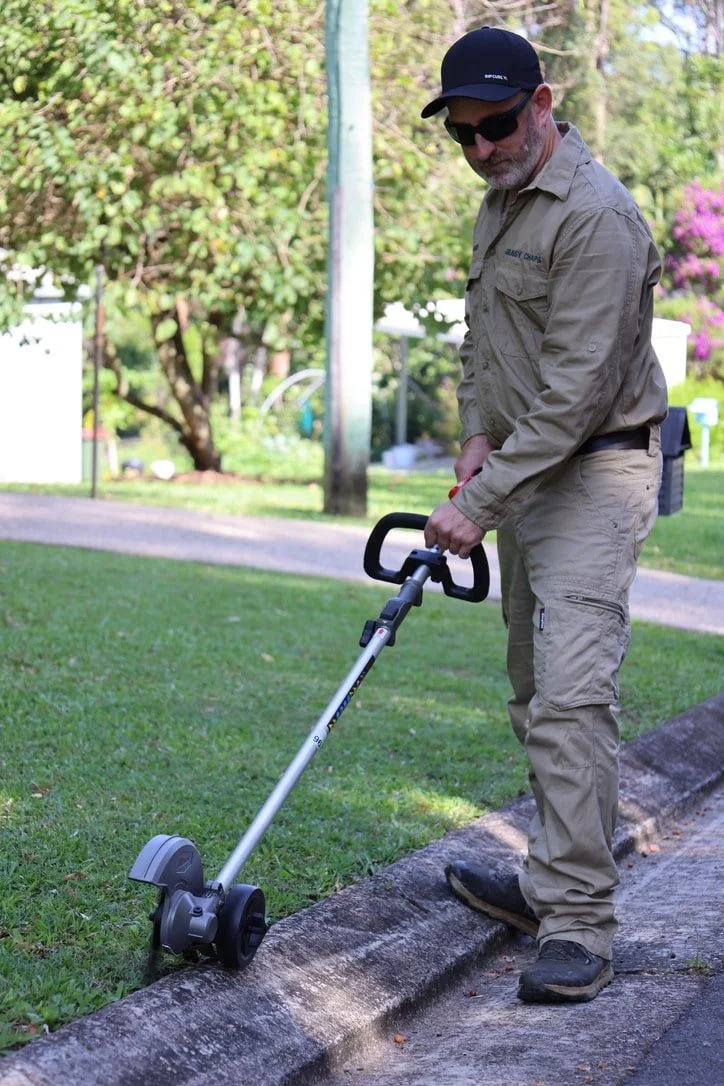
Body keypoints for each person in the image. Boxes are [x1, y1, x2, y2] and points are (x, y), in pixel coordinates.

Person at [421, 26, 668, 1004]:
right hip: (524, 477)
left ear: (543, 102)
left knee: (571, 696)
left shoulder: (596, 220)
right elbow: (491, 345)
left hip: (593, 477)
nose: (482, 148)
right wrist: (478, 435)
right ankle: (545, 879)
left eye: (496, 125)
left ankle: (578, 924)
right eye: (463, 135)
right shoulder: (501, 206)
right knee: (533, 691)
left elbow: (574, 391)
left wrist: (479, 501)